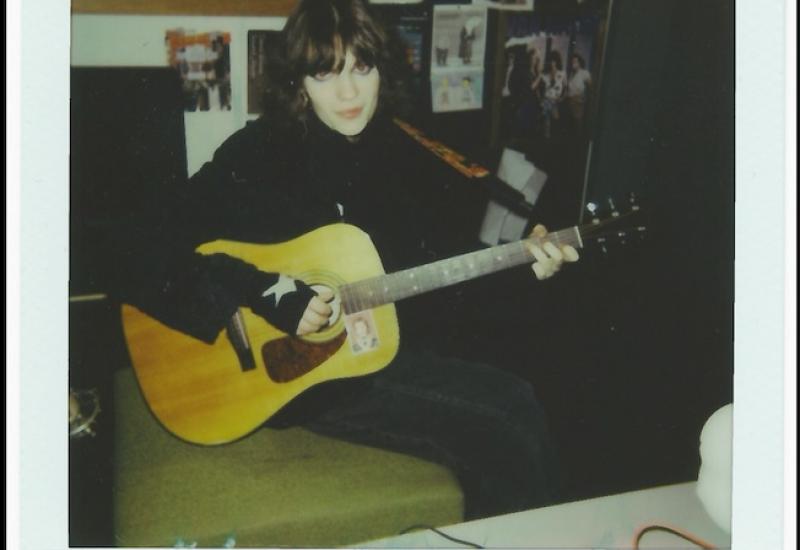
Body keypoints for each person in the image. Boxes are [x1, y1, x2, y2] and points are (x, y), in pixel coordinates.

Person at [109, 0, 579, 522]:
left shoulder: (405, 152)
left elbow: (445, 282)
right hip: (296, 382)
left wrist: (524, 268)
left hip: (380, 355)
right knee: (510, 414)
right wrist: (268, 292)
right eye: (325, 73)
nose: (350, 92)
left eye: (362, 67)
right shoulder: (259, 154)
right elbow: (134, 247)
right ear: (299, 84)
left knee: (519, 397)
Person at [541, 50, 566, 139]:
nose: (553, 63)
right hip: (547, 99)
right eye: (551, 61)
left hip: (556, 101)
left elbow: (565, 88)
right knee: (546, 123)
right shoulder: (545, 74)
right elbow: (540, 88)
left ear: (557, 61)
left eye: (554, 61)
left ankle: (555, 140)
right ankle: (546, 141)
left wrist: (562, 98)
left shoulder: (562, 74)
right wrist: (541, 99)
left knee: (556, 120)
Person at [566, 53, 592, 137]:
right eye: (572, 61)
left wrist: (583, 99)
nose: (573, 63)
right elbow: (569, 89)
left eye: (575, 61)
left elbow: (591, 88)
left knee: (577, 126)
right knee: (570, 126)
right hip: (569, 101)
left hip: (578, 102)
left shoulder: (584, 73)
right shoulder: (571, 75)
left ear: (579, 63)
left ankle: (577, 144)